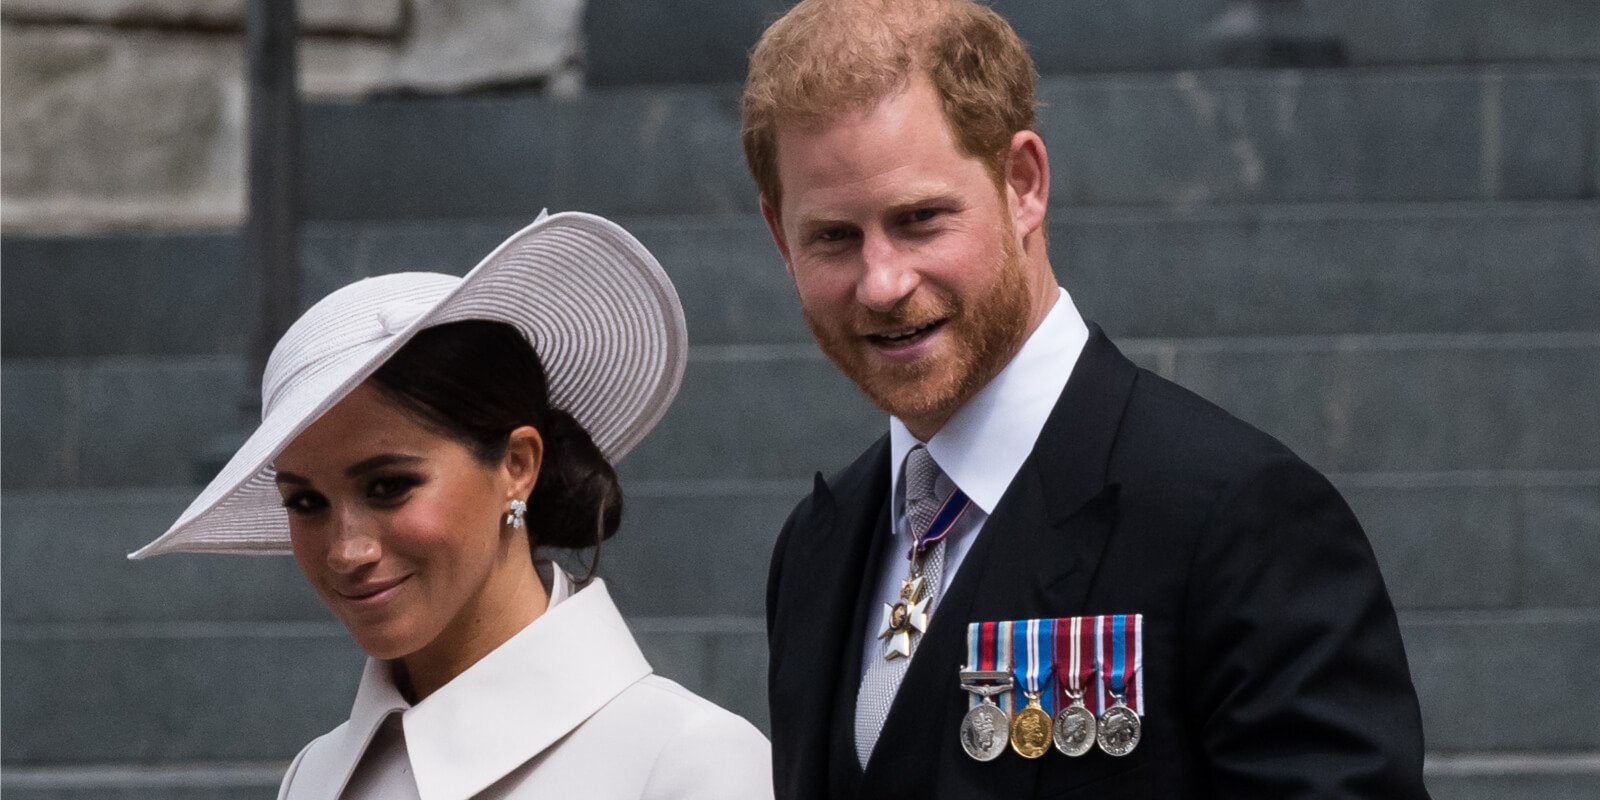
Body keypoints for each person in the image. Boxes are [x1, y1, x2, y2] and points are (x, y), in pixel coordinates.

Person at [742, 1, 1430, 797]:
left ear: (1023, 184)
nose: (884, 282)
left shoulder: (1236, 520)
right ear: (779, 238)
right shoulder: (816, 549)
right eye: (834, 236)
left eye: (921, 219)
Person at [130, 212, 774, 799]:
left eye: (389, 486)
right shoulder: (316, 776)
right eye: (305, 501)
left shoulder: (690, 764)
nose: (347, 549)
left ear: (517, 466)